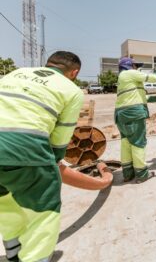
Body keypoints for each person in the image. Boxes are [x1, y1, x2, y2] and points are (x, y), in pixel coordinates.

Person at [0, 51, 84, 262]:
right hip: (25, 149)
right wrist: (54, 160)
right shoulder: (71, 90)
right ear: (74, 72)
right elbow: (62, 134)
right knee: (43, 211)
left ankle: (13, 252)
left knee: (5, 203)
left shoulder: (15, 73)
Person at [115, 57, 156, 183]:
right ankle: (142, 174)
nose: (137, 68)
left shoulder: (122, 77)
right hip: (133, 113)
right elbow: (154, 78)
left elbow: (133, 94)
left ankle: (128, 173)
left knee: (126, 143)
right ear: (130, 66)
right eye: (136, 66)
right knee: (138, 143)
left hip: (121, 114)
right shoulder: (130, 73)